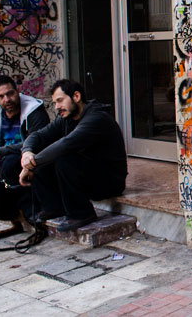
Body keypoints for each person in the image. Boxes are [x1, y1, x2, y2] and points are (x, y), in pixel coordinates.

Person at [19, 79, 127, 232]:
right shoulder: (66, 119)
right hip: (88, 175)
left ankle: (82, 214)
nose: (57, 107)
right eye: (55, 103)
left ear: (76, 96)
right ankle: (54, 208)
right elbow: (38, 135)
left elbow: (65, 144)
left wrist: (32, 165)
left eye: (60, 101)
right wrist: (27, 153)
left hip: (109, 181)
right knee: (44, 153)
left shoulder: (96, 118)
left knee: (63, 158)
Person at [0, 75, 49, 237]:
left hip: (29, 157)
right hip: (2, 159)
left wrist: (2, 152)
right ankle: (13, 220)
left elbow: (38, 141)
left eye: (10, 94)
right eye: (0, 97)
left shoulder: (33, 110)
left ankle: (33, 217)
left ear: (18, 92)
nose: (7, 99)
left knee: (8, 165)